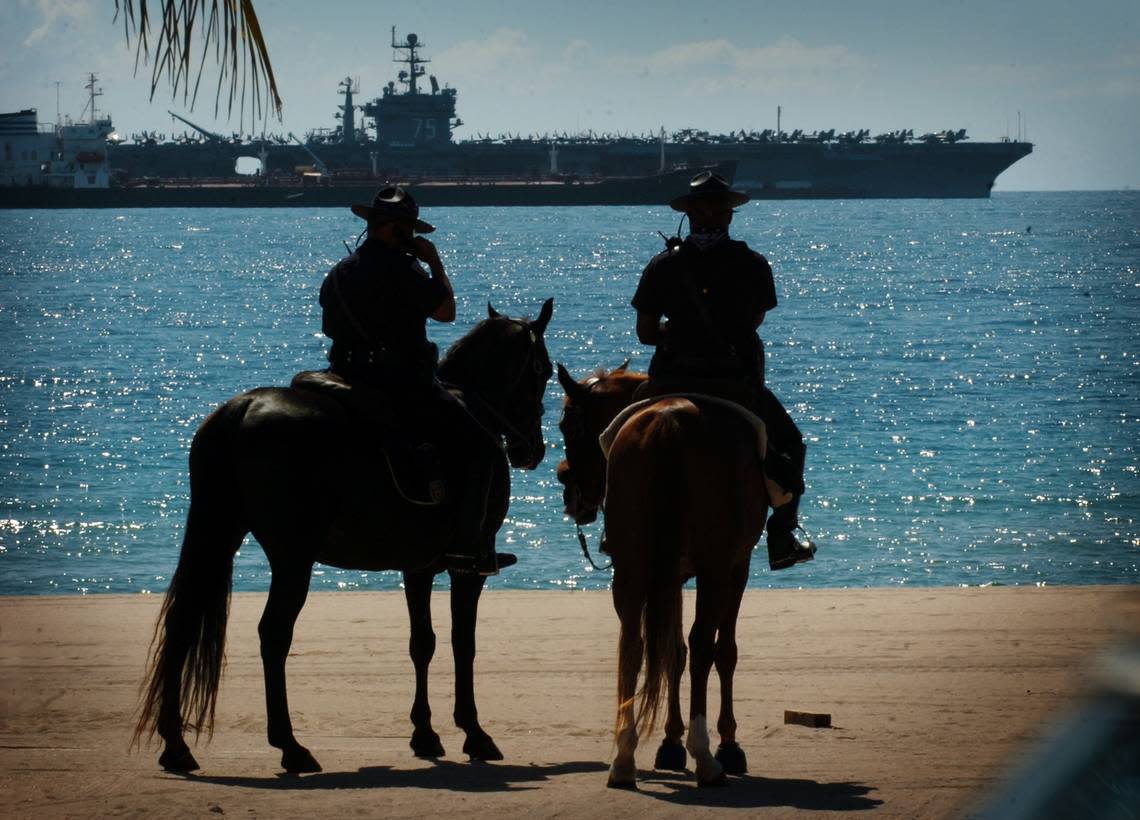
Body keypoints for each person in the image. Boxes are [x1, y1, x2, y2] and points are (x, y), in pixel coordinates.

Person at [319, 186, 515, 575]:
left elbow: (329, 327)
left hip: (343, 376)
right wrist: (435, 263)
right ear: (397, 230)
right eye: (406, 231)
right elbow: (446, 312)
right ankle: (466, 547)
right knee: (482, 448)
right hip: (401, 381)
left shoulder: (339, 272)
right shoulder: (405, 269)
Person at [630, 171, 815, 571]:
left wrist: (675, 330)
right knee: (790, 445)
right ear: (729, 217)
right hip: (734, 380)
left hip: (671, 376)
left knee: (611, 438)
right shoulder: (752, 264)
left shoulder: (662, 265)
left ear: (690, 214)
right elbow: (755, 320)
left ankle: (612, 522)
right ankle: (782, 536)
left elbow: (645, 333)